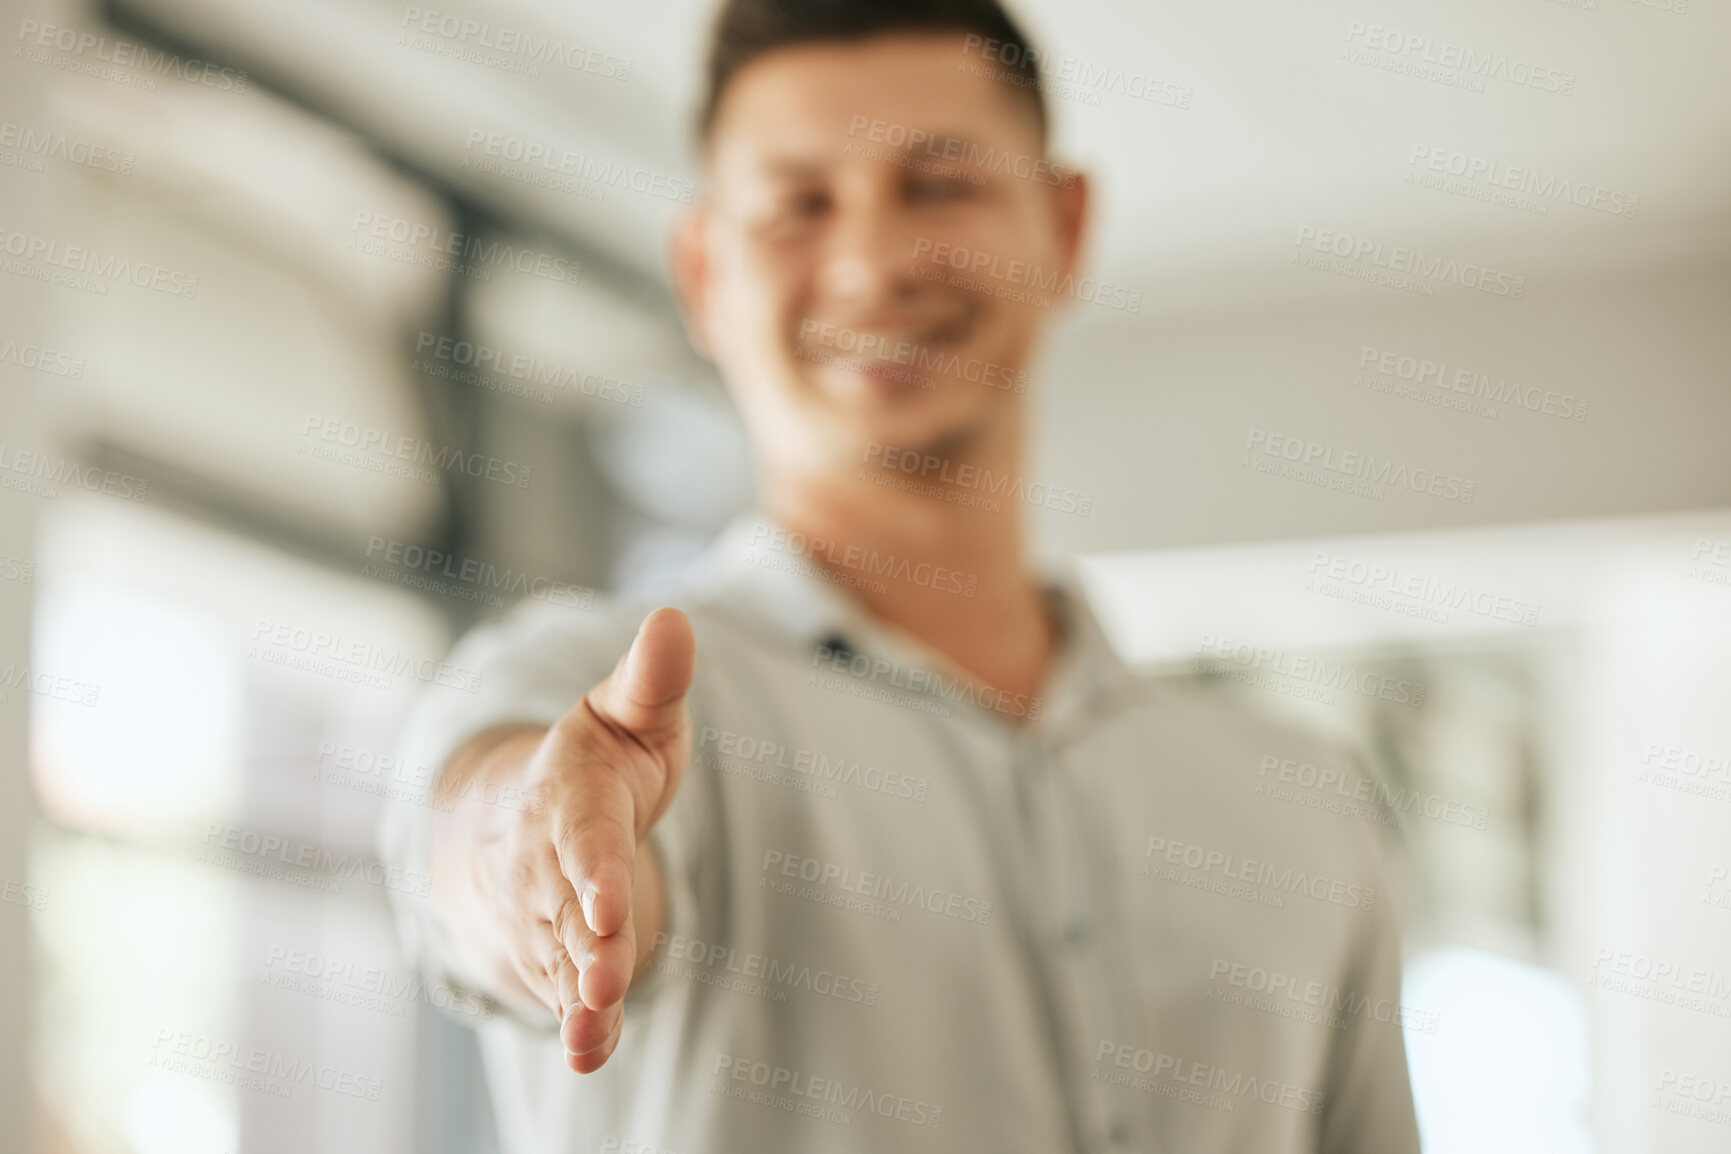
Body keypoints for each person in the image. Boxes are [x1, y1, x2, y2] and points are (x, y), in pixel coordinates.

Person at [380, 1, 1423, 1150]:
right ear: (702, 271)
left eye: (941, 185)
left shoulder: (1306, 805)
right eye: (797, 205)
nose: (871, 262)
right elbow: (493, 826)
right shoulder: (601, 692)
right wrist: (529, 857)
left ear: (1064, 226)